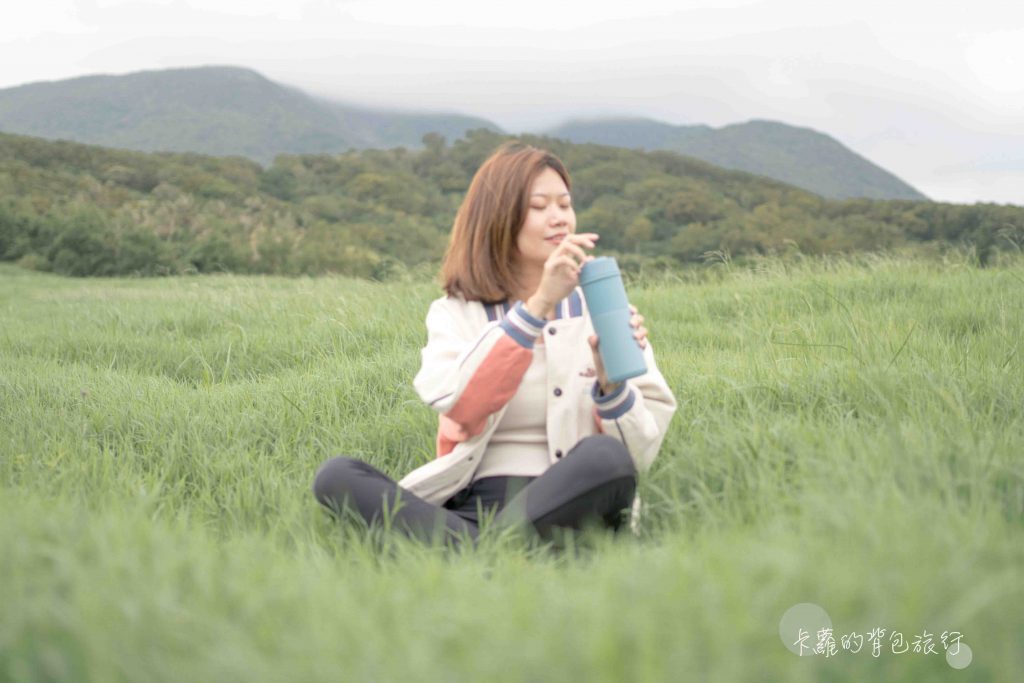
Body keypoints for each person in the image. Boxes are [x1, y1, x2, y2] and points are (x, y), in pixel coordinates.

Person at [312, 141, 676, 548]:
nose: (558, 218)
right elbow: (463, 407)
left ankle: (467, 552)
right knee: (335, 477)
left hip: (574, 501)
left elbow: (638, 454)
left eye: (565, 204)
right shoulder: (456, 313)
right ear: (499, 218)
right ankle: (499, 550)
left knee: (605, 459)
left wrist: (611, 387)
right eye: (539, 207)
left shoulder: (602, 307)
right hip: (475, 502)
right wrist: (537, 307)